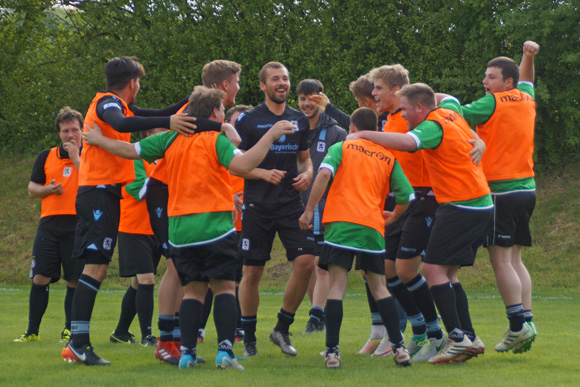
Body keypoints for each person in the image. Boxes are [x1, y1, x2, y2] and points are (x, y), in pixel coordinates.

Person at [82, 86, 297, 370]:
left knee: (193, 292)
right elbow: (243, 164)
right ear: (214, 112)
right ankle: (225, 352)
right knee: (224, 289)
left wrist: (98, 139)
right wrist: (271, 136)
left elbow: (127, 149)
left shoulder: (170, 139)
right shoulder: (214, 139)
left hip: (181, 230)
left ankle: (186, 353)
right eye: (221, 110)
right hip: (215, 227)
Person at [61, 56, 227, 366]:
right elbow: (125, 124)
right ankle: (77, 342)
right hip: (97, 191)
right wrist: (168, 123)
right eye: (139, 82)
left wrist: (190, 99)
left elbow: (156, 115)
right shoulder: (107, 103)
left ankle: (79, 342)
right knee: (94, 267)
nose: (139, 88)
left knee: (97, 267)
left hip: (106, 193)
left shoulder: (119, 105)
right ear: (132, 83)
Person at [349, 83, 493, 364]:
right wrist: (481, 140)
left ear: (420, 108)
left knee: (431, 269)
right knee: (448, 274)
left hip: (461, 204)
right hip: (478, 202)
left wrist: (363, 135)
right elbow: (448, 95)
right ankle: (469, 337)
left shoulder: (431, 125)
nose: (403, 116)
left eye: (405, 110)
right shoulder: (448, 110)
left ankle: (456, 338)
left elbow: (407, 143)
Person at [299, 107, 415, 368]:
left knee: (337, 285)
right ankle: (399, 348)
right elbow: (406, 195)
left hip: (340, 225)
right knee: (379, 287)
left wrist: (308, 210)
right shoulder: (388, 156)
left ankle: (332, 353)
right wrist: (393, 216)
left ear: (352, 127)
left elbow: (325, 173)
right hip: (371, 227)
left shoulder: (341, 148)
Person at [150, 60, 243, 363]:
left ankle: (182, 343)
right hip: (166, 191)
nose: (238, 89)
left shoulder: (212, 124)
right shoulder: (192, 115)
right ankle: (168, 341)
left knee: (187, 274)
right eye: (236, 82)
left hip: (180, 194)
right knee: (178, 268)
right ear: (223, 87)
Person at [459, 41, 540, 353]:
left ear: (507, 82)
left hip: (500, 191)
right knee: (516, 258)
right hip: (527, 189)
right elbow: (528, 80)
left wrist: (439, 101)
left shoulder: (490, 103)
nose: (485, 81)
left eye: (490, 77)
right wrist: (528, 56)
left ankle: (517, 327)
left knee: (500, 259)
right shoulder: (526, 97)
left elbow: (454, 116)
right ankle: (527, 321)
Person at [365, 64, 447, 360]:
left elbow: (445, 101)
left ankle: (437, 335)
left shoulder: (413, 115)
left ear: (397, 92)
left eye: (378, 88)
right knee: (387, 270)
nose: (373, 93)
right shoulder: (386, 119)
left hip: (423, 197)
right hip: (397, 200)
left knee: (406, 269)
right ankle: (420, 330)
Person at [236, 62, 314, 357]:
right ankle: (250, 337)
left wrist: (307, 173)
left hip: (290, 206)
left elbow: (305, 159)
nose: (282, 83)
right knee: (252, 272)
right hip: (257, 206)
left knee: (306, 262)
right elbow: (236, 165)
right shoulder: (249, 120)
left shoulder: (299, 119)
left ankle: (282, 327)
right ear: (262, 86)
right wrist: (262, 174)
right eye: (275, 79)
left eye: (285, 79)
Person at [15, 107, 83, 344]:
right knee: (40, 277)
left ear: (83, 131)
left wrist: (76, 157)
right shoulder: (46, 156)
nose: (71, 135)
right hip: (49, 225)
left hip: (78, 225)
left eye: (75, 129)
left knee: (74, 279)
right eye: (66, 131)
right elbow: (32, 190)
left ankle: (69, 329)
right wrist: (48, 190)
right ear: (59, 134)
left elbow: (91, 179)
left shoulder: (90, 155)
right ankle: (32, 331)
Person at [296, 79, 347, 333]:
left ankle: (316, 317)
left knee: (320, 264)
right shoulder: (292, 127)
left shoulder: (336, 132)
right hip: (297, 207)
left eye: (312, 98)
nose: (306, 103)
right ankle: (319, 314)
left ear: (321, 98)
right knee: (305, 263)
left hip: (326, 209)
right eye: (302, 99)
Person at [110, 129, 165, 347]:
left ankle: (120, 332)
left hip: (155, 230)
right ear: (150, 134)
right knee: (147, 280)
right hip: (134, 228)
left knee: (137, 283)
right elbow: (141, 190)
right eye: (163, 132)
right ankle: (147, 336)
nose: (168, 135)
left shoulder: (163, 160)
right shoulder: (134, 157)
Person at [309, 74, 390, 131]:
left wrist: (328, 107)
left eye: (358, 102)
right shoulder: (387, 117)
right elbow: (354, 124)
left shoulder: (391, 122)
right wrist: (328, 107)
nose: (358, 106)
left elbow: (355, 126)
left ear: (367, 101)